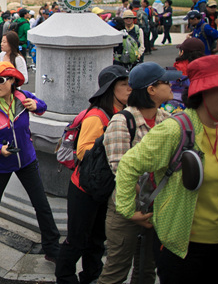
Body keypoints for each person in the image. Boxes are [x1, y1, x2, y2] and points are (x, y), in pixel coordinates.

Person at [114, 55, 218, 284]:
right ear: (203, 91)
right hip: (181, 246)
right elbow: (128, 164)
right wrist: (127, 209)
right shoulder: (175, 129)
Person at [98, 63, 180, 284]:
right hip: (127, 209)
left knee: (147, 269)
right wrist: (140, 203)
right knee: (116, 271)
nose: (171, 85)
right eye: (165, 82)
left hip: (157, 207)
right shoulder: (122, 121)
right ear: (151, 89)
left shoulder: (167, 119)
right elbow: (120, 169)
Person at [0, 62, 60, 262]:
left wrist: (37, 106)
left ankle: (53, 249)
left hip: (27, 160)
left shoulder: (23, 97)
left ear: (12, 81)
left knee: (42, 205)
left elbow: (43, 107)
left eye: (0, 80)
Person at [55, 65, 131, 284]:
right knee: (77, 240)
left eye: (130, 84)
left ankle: (90, 275)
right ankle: (65, 277)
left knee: (97, 239)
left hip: (103, 187)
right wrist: (112, 148)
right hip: (84, 188)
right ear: (110, 89)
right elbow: (82, 151)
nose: (129, 89)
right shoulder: (97, 116)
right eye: (124, 85)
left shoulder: (123, 114)